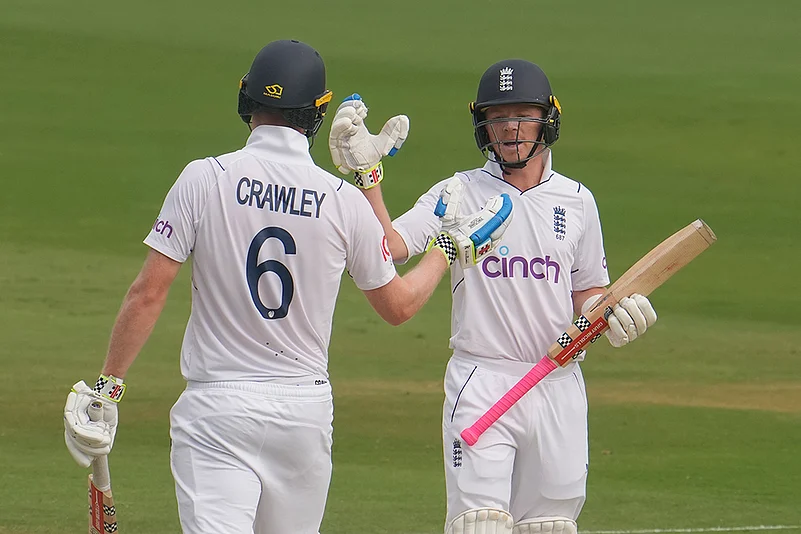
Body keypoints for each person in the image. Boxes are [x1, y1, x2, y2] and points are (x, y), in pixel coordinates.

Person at [62, 40, 514, 534]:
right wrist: (445, 252)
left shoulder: (204, 178)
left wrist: (108, 388)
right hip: (304, 413)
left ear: (246, 100)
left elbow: (147, 292)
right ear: (317, 113)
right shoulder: (343, 200)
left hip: (218, 409)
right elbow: (399, 307)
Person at [328, 60, 659, 534]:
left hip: (556, 382)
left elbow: (588, 292)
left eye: (523, 115)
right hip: (482, 379)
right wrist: (368, 178)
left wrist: (612, 314)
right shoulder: (459, 190)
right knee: (477, 525)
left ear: (548, 119)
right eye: (497, 118)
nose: (509, 129)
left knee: (550, 526)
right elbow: (394, 247)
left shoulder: (578, 201)